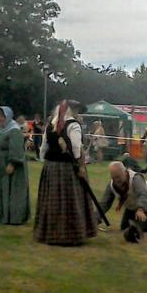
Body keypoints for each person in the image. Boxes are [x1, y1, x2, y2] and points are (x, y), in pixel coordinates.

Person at [34, 100, 97, 246]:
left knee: (53, 200)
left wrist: (47, 162)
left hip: (51, 167)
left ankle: (50, 232)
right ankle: (70, 234)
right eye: (76, 110)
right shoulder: (73, 125)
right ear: (70, 110)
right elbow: (76, 148)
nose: (77, 113)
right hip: (67, 168)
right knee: (70, 200)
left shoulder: (50, 124)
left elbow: (43, 147)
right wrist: (80, 166)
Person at [98, 162, 147, 242]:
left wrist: (140, 209)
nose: (116, 180)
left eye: (118, 177)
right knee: (125, 226)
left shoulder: (136, 178)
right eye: (114, 177)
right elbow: (105, 203)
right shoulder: (111, 185)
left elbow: (143, 195)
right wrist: (96, 218)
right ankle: (144, 220)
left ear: (125, 172)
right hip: (132, 207)